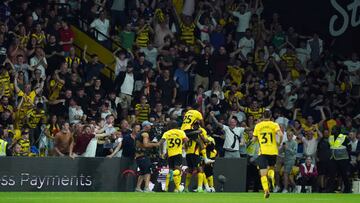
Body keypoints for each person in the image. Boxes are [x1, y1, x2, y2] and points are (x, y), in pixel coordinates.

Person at [252, 109, 283, 198]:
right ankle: (271, 176)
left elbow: (254, 140)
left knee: (262, 174)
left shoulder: (258, 126)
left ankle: (266, 191)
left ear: (262, 116)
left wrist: (252, 141)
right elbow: (280, 135)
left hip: (263, 152)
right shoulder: (274, 124)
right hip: (273, 151)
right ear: (270, 116)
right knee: (271, 168)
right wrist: (279, 143)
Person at [159, 121, 188, 192]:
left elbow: (161, 142)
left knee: (171, 170)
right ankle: (177, 187)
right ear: (177, 126)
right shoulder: (181, 132)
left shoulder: (167, 133)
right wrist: (184, 146)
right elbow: (186, 140)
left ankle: (168, 188)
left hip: (170, 155)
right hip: (178, 154)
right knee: (179, 171)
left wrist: (161, 152)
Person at [134, 121, 160, 192]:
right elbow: (145, 144)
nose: (151, 127)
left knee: (142, 172)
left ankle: (138, 188)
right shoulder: (145, 134)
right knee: (147, 172)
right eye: (149, 125)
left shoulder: (140, 133)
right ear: (146, 126)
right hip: (143, 156)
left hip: (138, 156)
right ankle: (146, 188)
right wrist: (156, 144)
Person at [327, 125, 351, 193]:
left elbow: (349, 148)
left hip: (343, 159)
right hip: (333, 158)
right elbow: (330, 147)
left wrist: (347, 158)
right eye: (332, 129)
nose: (332, 131)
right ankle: (331, 189)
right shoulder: (330, 137)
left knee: (344, 174)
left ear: (338, 130)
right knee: (332, 174)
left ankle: (347, 189)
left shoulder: (344, 137)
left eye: (333, 129)